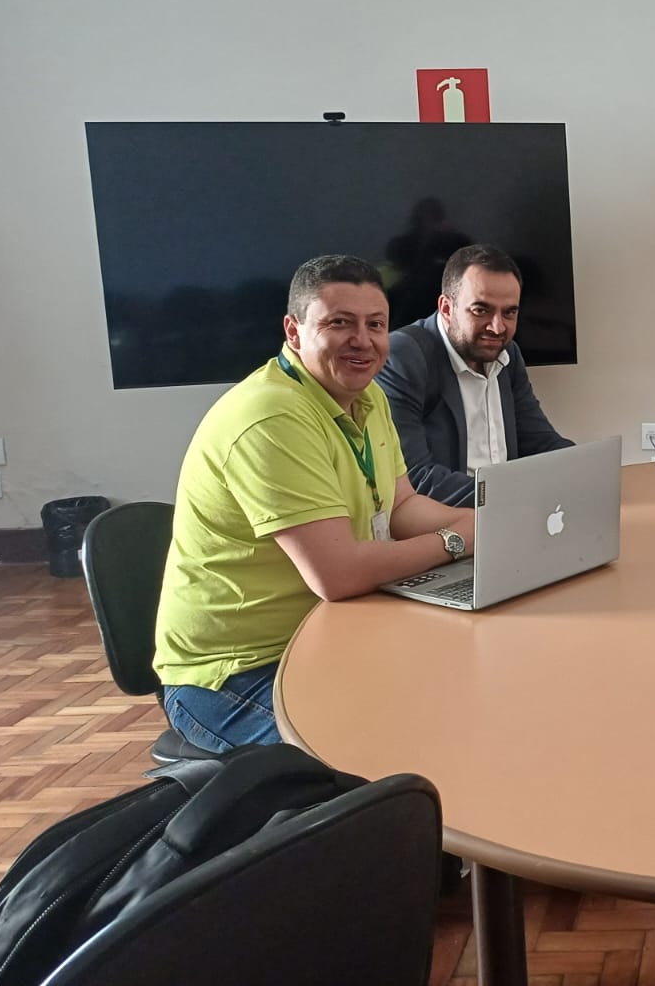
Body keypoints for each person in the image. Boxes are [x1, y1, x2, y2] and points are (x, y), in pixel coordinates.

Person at [154, 255, 477, 752]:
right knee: (392, 751)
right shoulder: (271, 418)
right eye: (339, 323)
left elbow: (401, 508)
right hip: (235, 676)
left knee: (463, 694)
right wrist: (456, 539)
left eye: (376, 325)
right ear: (293, 330)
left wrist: (483, 522)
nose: (362, 340)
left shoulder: (368, 400)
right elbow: (338, 575)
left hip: (333, 637)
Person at [376, 244, 571, 507]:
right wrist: (516, 494)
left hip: (510, 516)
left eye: (509, 312)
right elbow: (416, 479)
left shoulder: (508, 353)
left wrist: (586, 471)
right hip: (446, 528)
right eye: (481, 310)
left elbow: (538, 440)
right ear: (446, 308)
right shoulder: (404, 356)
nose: (497, 327)